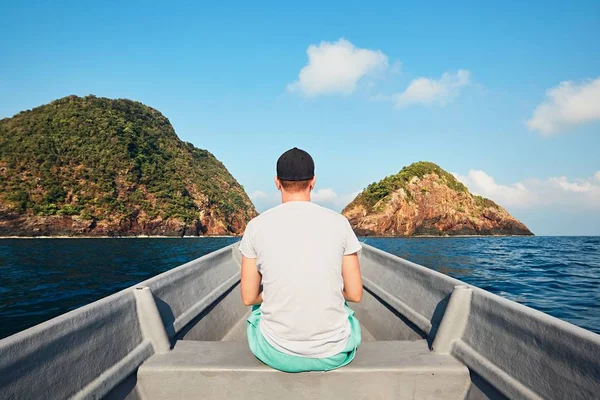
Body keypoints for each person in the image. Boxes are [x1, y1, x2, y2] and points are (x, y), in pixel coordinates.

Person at [238, 147, 363, 373]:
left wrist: (269, 294)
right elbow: (354, 294)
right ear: (313, 181)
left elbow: (248, 297)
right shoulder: (339, 223)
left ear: (277, 182)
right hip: (334, 352)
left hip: (276, 352)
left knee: (257, 311)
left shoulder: (256, 226)